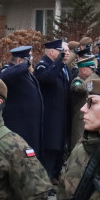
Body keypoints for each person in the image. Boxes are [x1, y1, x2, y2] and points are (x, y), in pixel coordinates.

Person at [0, 45, 45, 163]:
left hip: (31, 124)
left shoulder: (25, 73)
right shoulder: (9, 70)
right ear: (20, 61)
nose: (31, 62)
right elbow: (3, 76)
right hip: (19, 125)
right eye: (29, 59)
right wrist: (24, 65)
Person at [33, 38, 71, 179]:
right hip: (49, 118)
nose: (66, 53)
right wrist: (59, 62)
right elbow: (47, 79)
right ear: (52, 52)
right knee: (49, 151)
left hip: (61, 117)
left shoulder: (62, 66)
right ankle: (45, 180)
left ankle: (53, 177)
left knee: (58, 151)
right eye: (62, 51)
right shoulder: (43, 65)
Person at [69, 54, 100, 150]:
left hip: (91, 117)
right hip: (81, 119)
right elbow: (82, 88)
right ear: (83, 70)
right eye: (92, 69)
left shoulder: (90, 80)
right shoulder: (77, 81)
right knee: (78, 145)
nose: (93, 72)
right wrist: (93, 76)